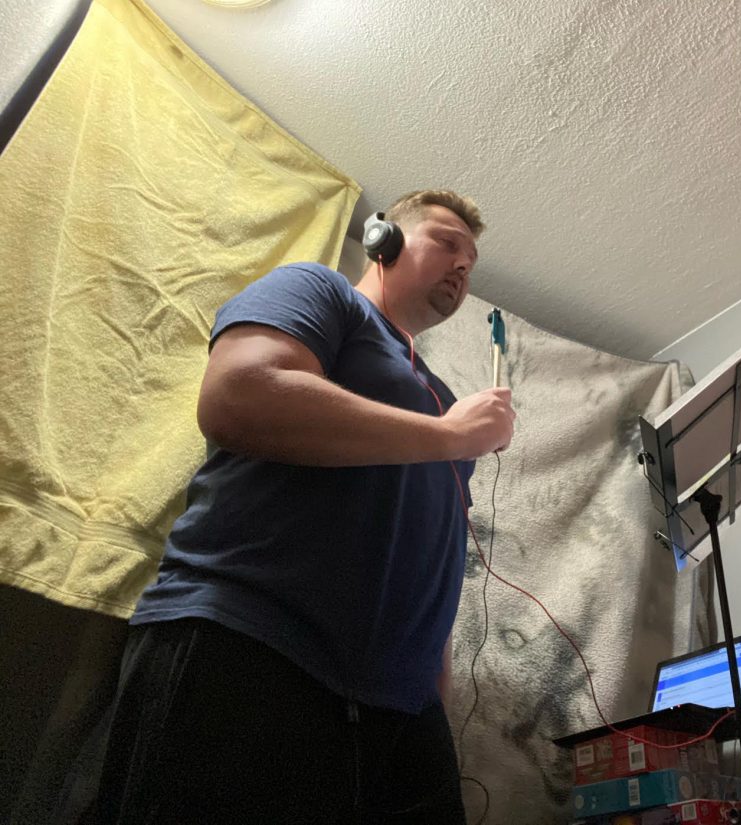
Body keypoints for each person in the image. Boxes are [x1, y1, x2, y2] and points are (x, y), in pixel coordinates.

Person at [92, 190, 514, 825]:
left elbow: (436, 545)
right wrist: (452, 436)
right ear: (384, 240)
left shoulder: (444, 400)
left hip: (403, 713)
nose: (463, 265)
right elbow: (239, 394)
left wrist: (435, 693)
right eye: (448, 243)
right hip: (250, 647)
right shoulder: (319, 290)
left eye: (472, 261)